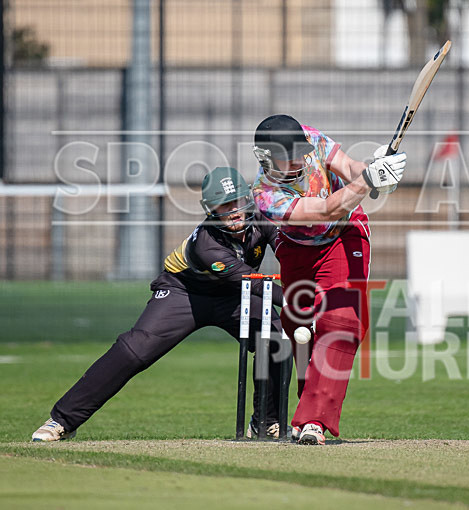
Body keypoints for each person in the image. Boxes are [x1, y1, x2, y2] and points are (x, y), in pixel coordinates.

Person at [32, 167, 285, 441]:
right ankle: (62, 420)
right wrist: (302, 301)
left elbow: (288, 252)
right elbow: (254, 283)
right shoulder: (207, 244)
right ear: (210, 209)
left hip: (234, 295)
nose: (234, 211)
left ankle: (265, 422)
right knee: (134, 350)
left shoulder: (262, 220)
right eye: (224, 205)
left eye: (237, 201)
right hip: (184, 292)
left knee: (275, 339)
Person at [251, 114, 406, 445]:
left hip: (345, 233)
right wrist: (368, 180)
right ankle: (309, 405)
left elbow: (348, 168)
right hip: (299, 247)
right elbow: (324, 210)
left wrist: (377, 173)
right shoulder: (265, 195)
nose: (298, 159)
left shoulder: (309, 138)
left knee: (341, 321)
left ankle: (313, 421)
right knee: (298, 329)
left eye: (299, 151)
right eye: (287, 155)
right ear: (267, 159)